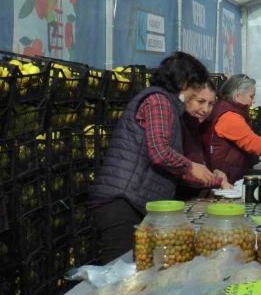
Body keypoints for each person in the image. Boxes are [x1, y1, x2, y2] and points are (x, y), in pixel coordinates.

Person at [90, 52, 215, 264]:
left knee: (135, 270)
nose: (197, 97)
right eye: (196, 88)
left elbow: (167, 163)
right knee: (120, 273)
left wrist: (209, 178)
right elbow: (160, 153)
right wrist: (192, 167)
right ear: (184, 82)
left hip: (134, 201)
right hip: (123, 202)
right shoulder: (159, 101)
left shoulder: (168, 106)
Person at [205, 74, 261, 183]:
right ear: (237, 96)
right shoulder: (229, 116)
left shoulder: (228, 109)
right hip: (227, 175)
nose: (253, 101)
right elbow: (253, 143)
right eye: (251, 96)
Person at [175, 80, 233, 201]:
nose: (206, 109)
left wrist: (214, 172)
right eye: (200, 102)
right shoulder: (177, 126)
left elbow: (201, 164)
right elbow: (177, 171)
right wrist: (216, 181)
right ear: (186, 98)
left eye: (211, 104)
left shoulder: (201, 126)